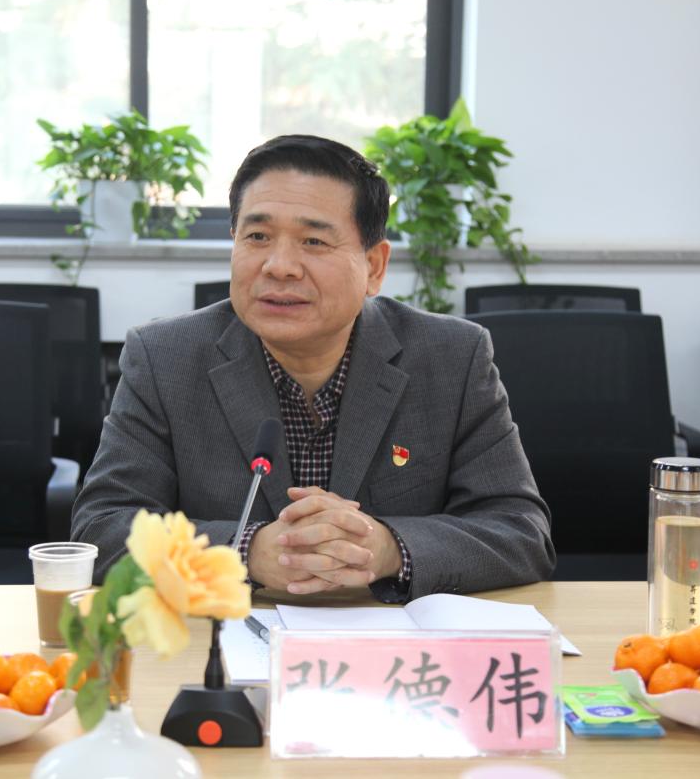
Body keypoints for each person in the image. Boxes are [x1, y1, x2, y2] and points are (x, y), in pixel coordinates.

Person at [72, 135, 555, 601]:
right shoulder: (164, 358)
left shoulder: (452, 357)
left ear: (374, 266)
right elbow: (101, 528)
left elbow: (519, 530)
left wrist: (389, 548)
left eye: (314, 241)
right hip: (228, 636)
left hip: (387, 639)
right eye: (257, 236)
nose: (279, 266)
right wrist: (243, 552)